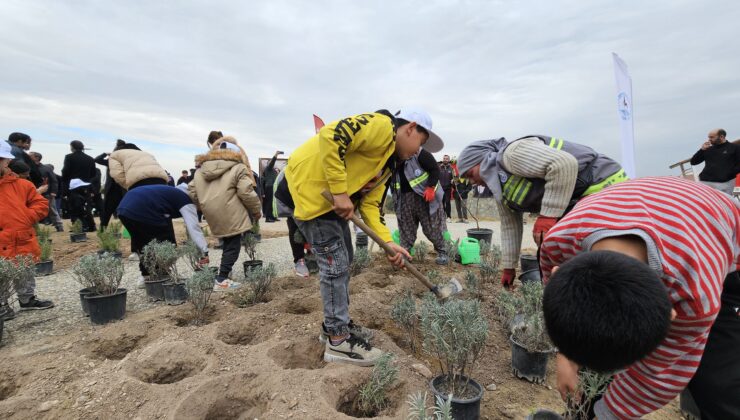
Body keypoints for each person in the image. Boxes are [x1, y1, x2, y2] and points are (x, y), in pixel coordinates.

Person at [539, 176, 740, 420]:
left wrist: (608, 415)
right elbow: (567, 310)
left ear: (671, 315)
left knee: (716, 378)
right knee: (595, 345)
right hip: (642, 205)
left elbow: (661, 373)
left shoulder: (695, 297)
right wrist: (566, 356)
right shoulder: (556, 245)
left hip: (721, 226)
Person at [278, 108, 443, 366]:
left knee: (346, 257)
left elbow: (370, 206)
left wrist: (388, 243)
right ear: (410, 128)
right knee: (335, 264)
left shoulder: (388, 164)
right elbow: (331, 135)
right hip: (313, 193)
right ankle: (338, 342)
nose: (418, 152)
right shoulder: (382, 127)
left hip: (329, 200)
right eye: (420, 143)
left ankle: (333, 325)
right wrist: (341, 192)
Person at [457, 135, 627, 288]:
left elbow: (564, 164)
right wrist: (508, 267)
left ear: (484, 160)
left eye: (471, 174)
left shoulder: (512, 154)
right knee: (552, 250)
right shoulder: (500, 188)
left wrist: (547, 216)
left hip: (603, 185)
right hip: (579, 198)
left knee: (584, 255)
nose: (472, 182)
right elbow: (510, 226)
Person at [189, 140, 262, 288]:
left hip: (211, 212)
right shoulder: (238, 168)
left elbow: (192, 191)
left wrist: (202, 206)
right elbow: (246, 192)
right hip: (232, 211)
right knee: (233, 245)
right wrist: (256, 211)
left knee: (227, 242)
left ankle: (223, 275)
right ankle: (221, 279)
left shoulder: (199, 171)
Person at [0, 141, 55, 320]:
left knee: (25, 269)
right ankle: (2, 305)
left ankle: (27, 299)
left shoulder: (22, 185)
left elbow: (40, 204)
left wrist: (26, 217)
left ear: (6, 161)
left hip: (22, 237)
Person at [117, 185, 209, 287]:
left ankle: (146, 276)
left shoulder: (173, 192)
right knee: (166, 242)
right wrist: (204, 251)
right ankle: (163, 275)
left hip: (124, 208)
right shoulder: (186, 201)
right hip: (143, 209)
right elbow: (193, 228)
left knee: (142, 243)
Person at [392, 147, 449, 265]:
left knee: (432, 228)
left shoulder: (420, 154)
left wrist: (431, 187)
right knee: (406, 229)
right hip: (404, 199)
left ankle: (444, 251)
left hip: (425, 197)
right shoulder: (393, 160)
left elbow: (434, 169)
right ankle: (405, 253)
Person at [690, 128, 740, 195]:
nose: (709, 139)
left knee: (724, 203)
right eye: (709, 137)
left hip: (725, 183)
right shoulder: (708, 149)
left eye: (712, 137)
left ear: (721, 136)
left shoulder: (735, 148)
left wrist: (728, 174)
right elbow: (693, 162)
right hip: (705, 182)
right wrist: (702, 149)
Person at [61, 140, 97, 230]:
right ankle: (91, 225)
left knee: (74, 206)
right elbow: (93, 173)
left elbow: (65, 171)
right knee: (86, 206)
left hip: (73, 185)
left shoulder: (69, 157)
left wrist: (65, 181)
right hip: (86, 184)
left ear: (72, 147)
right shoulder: (90, 158)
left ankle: (79, 226)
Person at [94, 139, 128, 228]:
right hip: (114, 190)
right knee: (107, 211)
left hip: (121, 189)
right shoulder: (110, 161)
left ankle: (104, 228)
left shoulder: (125, 162)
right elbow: (97, 160)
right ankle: (102, 228)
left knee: (111, 211)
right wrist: (105, 154)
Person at [27, 152, 63, 231]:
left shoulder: (46, 168)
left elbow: (54, 180)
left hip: (47, 192)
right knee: (32, 210)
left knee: (52, 210)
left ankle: (59, 226)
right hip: (32, 193)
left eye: (30, 156)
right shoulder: (27, 168)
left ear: (36, 158)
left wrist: (53, 191)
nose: (27, 156)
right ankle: (35, 229)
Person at [261, 151, 284, 222]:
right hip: (270, 187)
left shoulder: (272, 170)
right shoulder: (268, 168)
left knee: (273, 202)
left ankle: (273, 217)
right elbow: (272, 162)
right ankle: (268, 218)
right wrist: (276, 154)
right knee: (269, 202)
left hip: (273, 187)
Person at [438, 154, 454, 220]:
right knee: (441, 203)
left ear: (449, 160)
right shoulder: (439, 168)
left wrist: (453, 180)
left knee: (447, 202)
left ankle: (448, 217)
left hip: (448, 188)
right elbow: (436, 177)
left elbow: (455, 177)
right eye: (444, 158)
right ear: (443, 159)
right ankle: (442, 216)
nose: (445, 160)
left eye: (447, 158)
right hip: (440, 188)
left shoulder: (451, 168)